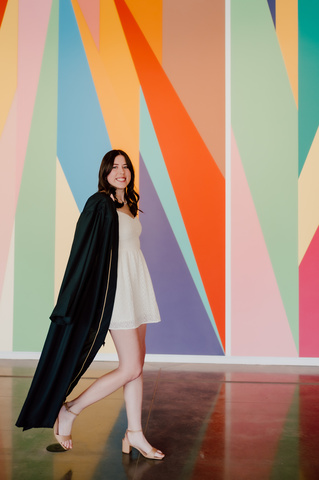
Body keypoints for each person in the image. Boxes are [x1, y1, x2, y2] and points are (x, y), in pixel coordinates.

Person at [16, 149, 165, 460]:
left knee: (137, 369)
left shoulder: (128, 205)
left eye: (125, 167)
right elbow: (83, 252)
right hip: (118, 293)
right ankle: (71, 410)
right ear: (105, 172)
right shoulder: (100, 203)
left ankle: (134, 434)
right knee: (131, 366)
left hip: (137, 288)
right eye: (114, 167)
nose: (121, 172)